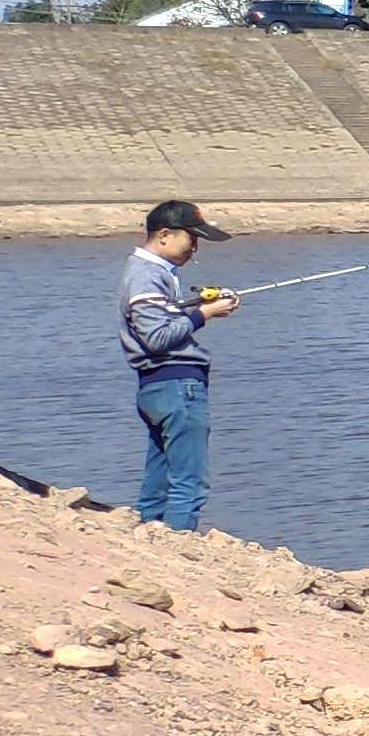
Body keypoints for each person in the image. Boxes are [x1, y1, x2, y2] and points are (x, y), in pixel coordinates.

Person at [119, 200, 242, 530]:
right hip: (177, 389)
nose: (195, 248)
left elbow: (160, 317)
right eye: (192, 238)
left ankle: (151, 540)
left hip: (159, 387)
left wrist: (201, 302)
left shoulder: (150, 273)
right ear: (164, 235)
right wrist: (204, 314)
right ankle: (179, 548)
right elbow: (157, 338)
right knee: (190, 484)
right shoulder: (146, 276)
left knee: (158, 483)